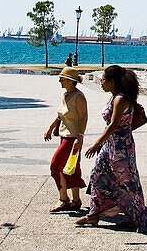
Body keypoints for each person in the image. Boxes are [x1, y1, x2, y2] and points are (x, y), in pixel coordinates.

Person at [77, 65, 147, 231]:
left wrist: (96, 143)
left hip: (121, 149)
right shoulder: (114, 97)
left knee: (126, 183)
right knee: (98, 176)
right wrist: (103, 143)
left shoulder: (120, 98)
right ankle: (94, 215)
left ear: (112, 82)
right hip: (111, 144)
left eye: (104, 80)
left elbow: (113, 124)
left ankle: (138, 217)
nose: (101, 83)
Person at [44, 67, 88, 212]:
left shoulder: (78, 96)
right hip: (64, 135)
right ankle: (75, 200)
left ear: (70, 81)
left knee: (56, 166)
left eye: (62, 79)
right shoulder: (66, 95)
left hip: (72, 138)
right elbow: (60, 115)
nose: (60, 81)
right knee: (71, 168)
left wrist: (80, 137)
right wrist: (50, 128)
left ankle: (63, 199)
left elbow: (83, 117)